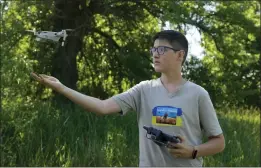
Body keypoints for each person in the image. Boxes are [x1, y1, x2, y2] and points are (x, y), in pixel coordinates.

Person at [31, 30, 225, 167]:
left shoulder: (198, 94)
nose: (155, 55)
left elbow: (219, 142)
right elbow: (102, 107)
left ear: (180, 55)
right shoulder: (143, 90)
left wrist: (192, 151)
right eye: (153, 50)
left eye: (162, 50)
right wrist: (61, 87)